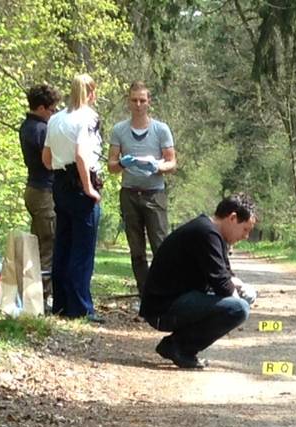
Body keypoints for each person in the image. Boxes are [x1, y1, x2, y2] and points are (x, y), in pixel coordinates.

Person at [139, 194, 259, 369]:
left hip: (177, 300)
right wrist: (236, 308)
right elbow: (222, 284)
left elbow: (225, 274)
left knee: (244, 299)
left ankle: (177, 344)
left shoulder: (212, 233)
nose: (246, 236)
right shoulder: (206, 233)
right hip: (162, 309)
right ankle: (179, 347)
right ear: (232, 218)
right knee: (239, 309)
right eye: (245, 229)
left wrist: (242, 289)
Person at [41, 73, 104, 323]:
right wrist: (88, 187)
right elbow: (81, 155)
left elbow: (46, 159)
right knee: (82, 248)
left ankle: (61, 303)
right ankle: (81, 306)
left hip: (59, 183)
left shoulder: (55, 119)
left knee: (63, 245)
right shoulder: (88, 118)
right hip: (80, 183)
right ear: (91, 94)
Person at [107, 81, 177, 294]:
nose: (138, 104)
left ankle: (165, 292)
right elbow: (111, 165)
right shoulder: (119, 130)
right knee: (136, 249)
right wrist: (122, 163)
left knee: (160, 246)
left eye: (142, 100)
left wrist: (157, 166)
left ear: (149, 102)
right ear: (128, 102)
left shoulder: (161, 129)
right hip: (129, 194)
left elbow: (172, 162)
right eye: (134, 100)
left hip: (154, 194)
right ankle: (144, 293)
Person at [18, 83, 60, 300]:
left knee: (37, 243)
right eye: (52, 110)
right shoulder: (41, 130)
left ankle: (33, 293)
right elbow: (51, 160)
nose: (53, 114)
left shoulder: (26, 126)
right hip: (44, 192)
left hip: (33, 190)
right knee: (48, 244)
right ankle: (42, 295)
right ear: (42, 108)